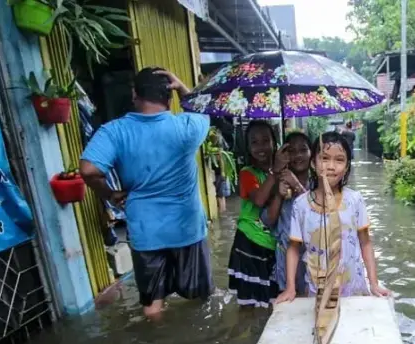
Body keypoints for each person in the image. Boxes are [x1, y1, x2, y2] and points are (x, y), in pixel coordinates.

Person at [79, 67, 212, 318]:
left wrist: (109, 194)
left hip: (146, 230)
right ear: (169, 97)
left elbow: (88, 170)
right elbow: (204, 109)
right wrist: (183, 87)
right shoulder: (187, 126)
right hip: (187, 228)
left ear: (134, 94)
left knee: (152, 307)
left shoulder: (114, 131)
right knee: (199, 301)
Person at [276, 132, 390, 303]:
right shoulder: (301, 205)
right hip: (317, 290)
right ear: (313, 163)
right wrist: (290, 288)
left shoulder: (354, 200)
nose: (331, 166)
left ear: (346, 167)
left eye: (339, 160)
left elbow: (365, 242)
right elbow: (293, 248)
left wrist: (374, 283)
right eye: (324, 158)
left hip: (353, 288)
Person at [227, 121, 288, 308]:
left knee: (272, 299)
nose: (260, 147)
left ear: (274, 143)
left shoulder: (285, 172)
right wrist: (275, 171)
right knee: (249, 303)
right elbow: (259, 200)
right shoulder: (247, 173)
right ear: (248, 147)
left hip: (273, 244)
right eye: (254, 142)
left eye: (265, 141)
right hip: (249, 244)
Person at [261, 131, 311, 295]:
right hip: (286, 259)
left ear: (312, 153)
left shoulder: (319, 183)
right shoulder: (277, 182)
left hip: (313, 258)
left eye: (303, 150)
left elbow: (316, 216)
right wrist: (279, 195)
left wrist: (296, 186)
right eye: (291, 151)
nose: (298, 155)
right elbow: (268, 221)